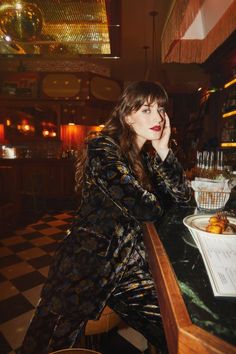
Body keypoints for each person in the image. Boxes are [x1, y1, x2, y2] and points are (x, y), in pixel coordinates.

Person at [20, 81, 191, 354]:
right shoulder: (103, 148)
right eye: (147, 110)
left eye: (160, 109)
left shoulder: (145, 159)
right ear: (126, 116)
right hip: (87, 265)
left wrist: (163, 150)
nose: (158, 117)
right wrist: (160, 200)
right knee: (46, 344)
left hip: (130, 268)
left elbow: (183, 200)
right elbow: (146, 208)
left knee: (178, 330)